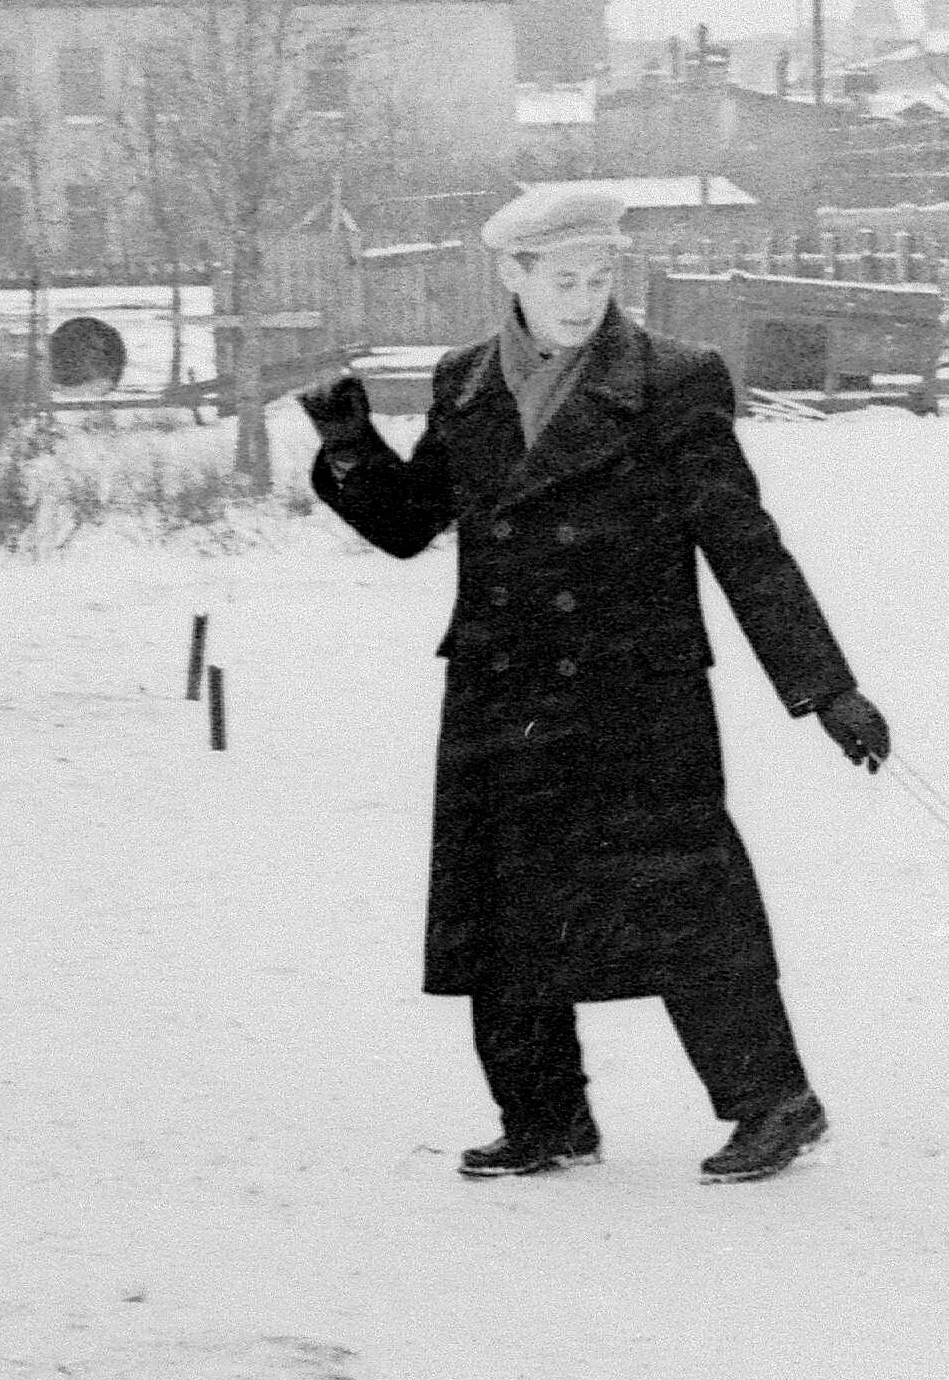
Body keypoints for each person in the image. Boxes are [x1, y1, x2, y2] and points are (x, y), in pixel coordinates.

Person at [292, 183, 892, 1185]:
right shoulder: (466, 382)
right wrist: (352, 451)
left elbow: (744, 544)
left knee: (686, 899)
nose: (583, 299)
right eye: (563, 280)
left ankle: (774, 1101)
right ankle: (544, 1117)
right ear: (514, 275)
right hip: (502, 688)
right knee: (504, 904)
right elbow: (408, 524)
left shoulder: (672, 382)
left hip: (635, 693)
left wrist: (825, 688)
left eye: (599, 278)